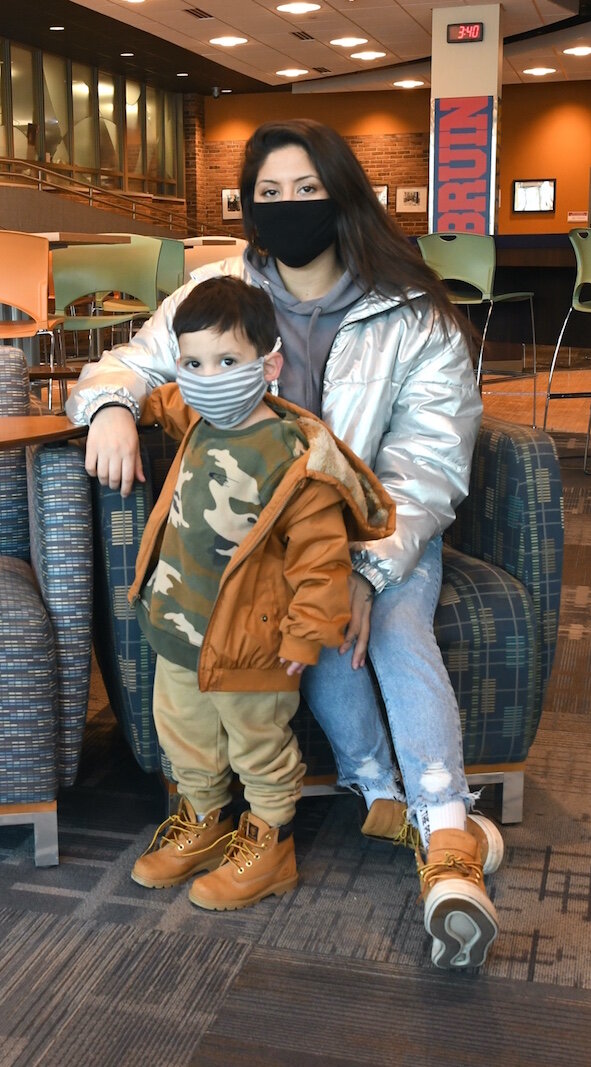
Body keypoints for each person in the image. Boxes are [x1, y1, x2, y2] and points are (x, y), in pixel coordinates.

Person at [67, 118, 505, 968]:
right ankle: (381, 799)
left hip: (373, 526)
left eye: (307, 189)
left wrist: (370, 572)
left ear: (343, 193)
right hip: (256, 547)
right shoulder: (222, 284)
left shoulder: (411, 311)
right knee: (317, 652)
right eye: (270, 193)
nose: (289, 206)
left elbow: (429, 465)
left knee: (396, 631)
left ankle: (448, 841)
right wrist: (113, 407)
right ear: (249, 205)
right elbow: (130, 362)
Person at [126, 276, 394, 911]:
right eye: (193, 362)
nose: (207, 376)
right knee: (184, 734)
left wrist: (306, 633)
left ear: (268, 364)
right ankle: (204, 822)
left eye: (227, 362)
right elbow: (150, 396)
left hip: (255, 645)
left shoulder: (297, 457)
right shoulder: (194, 413)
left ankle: (270, 844)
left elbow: (321, 560)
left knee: (259, 744)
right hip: (179, 629)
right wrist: (112, 406)